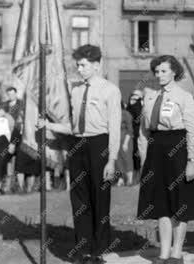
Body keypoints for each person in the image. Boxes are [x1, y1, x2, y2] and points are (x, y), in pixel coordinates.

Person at [44, 44, 122, 264]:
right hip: (78, 146)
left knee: (100, 199)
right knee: (79, 200)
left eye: (83, 65)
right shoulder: (76, 90)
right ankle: (83, 251)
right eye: (77, 65)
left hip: (100, 145)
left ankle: (100, 251)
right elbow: (74, 126)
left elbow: (114, 128)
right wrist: (50, 125)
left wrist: (112, 160)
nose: (79, 69)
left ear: (96, 65)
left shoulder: (110, 90)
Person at [137, 55, 194, 264]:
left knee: (180, 201)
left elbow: (193, 129)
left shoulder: (184, 96)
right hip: (156, 149)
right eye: (156, 71)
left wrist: (191, 159)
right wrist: (145, 159)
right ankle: (163, 253)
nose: (159, 75)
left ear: (174, 72)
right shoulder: (150, 95)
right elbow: (143, 131)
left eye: (163, 71)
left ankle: (176, 253)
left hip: (178, 146)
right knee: (160, 203)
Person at [116, 102, 135, 186]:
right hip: (116, 140)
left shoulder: (126, 114)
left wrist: (125, 143)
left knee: (127, 159)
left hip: (125, 140)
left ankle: (130, 180)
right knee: (118, 160)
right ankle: (121, 179)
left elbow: (130, 129)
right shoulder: (113, 114)